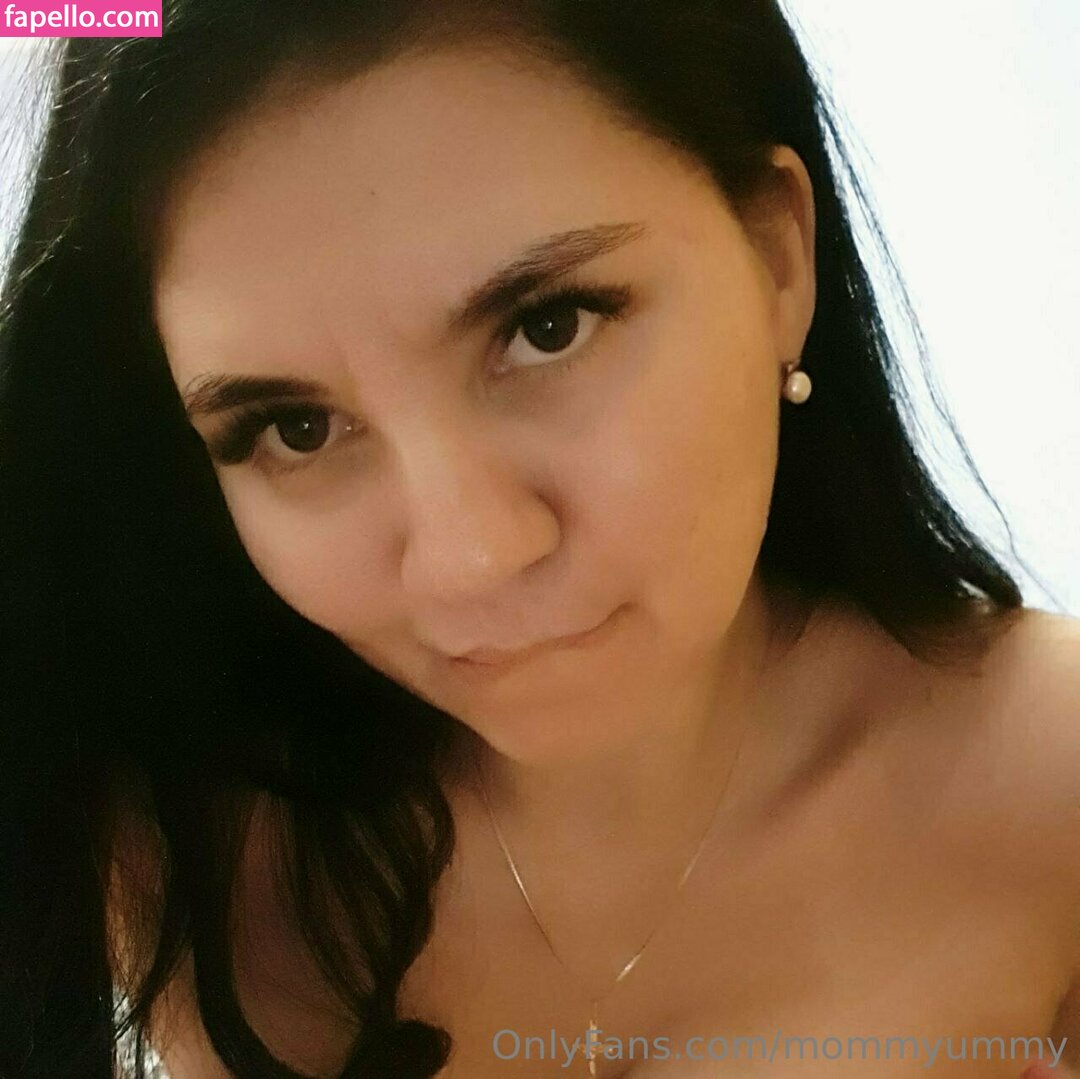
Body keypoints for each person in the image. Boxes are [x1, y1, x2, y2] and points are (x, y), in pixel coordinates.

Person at [0, 1, 1077, 1076]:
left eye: (547, 327)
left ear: (776, 257)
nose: (467, 558)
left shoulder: (1049, 786)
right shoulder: (177, 842)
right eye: (295, 428)